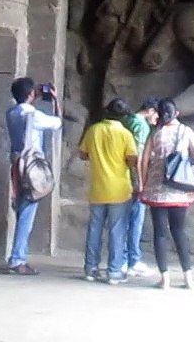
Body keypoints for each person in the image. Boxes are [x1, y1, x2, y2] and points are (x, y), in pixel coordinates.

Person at [139, 98, 194, 290]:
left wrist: (143, 183)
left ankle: (165, 278)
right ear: (176, 113)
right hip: (180, 190)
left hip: (157, 191)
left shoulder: (156, 133)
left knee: (160, 234)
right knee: (179, 232)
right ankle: (188, 277)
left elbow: (143, 161)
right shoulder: (186, 131)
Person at [5, 77, 62, 275]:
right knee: (27, 213)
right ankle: (17, 259)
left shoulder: (12, 112)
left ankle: (19, 256)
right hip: (30, 166)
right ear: (31, 94)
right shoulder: (33, 115)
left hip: (16, 162)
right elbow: (56, 123)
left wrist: (32, 99)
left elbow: (25, 111)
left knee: (21, 209)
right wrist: (54, 100)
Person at [78, 98, 139, 284]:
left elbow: (82, 154)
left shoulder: (93, 130)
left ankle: (90, 268)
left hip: (97, 188)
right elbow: (132, 160)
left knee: (95, 229)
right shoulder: (125, 134)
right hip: (120, 190)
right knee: (116, 231)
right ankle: (114, 272)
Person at [120, 98, 158, 277]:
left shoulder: (126, 120)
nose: (156, 118)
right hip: (134, 179)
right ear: (150, 110)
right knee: (136, 220)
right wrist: (141, 182)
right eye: (156, 114)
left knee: (123, 221)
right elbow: (138, 157)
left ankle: (122, 259)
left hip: (120, 177)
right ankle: (132, 260)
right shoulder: (141, 126)